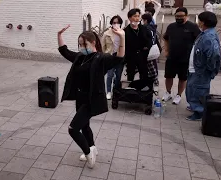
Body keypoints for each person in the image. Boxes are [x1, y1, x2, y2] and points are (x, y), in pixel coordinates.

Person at [57, 25, 125, 168]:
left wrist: (122, 37)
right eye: (80, 44)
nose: (81, 47)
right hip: (80, 97)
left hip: (91, 99)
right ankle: (93, 147)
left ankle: (88, 153)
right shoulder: (80, 57)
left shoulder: (101, 58)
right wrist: (59, 35)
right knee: (84, 125)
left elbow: (119, 58)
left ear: (93, 43)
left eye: (84, 44)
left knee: (72, 129)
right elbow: (65, 51)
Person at [186, 11, 221, 121]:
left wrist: (210, 69)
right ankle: (194, 106)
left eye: (199, 20)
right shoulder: (205, 33)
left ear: (203, 22)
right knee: (192, 89)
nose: (198, 22)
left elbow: (214, 55)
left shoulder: (209, 37)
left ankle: (199, 112)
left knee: (198, 91)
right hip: (196, 69)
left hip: (201, 71)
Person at [162, 7, 201, 105]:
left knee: (183, 78)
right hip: (172, 57)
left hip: (186, 58)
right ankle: (168, 92)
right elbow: (165, 38)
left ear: (187, 16)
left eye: (181, 16)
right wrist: (166, 51)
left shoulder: (193, 27)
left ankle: (179, 95)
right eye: (177, 16)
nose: (179, 18)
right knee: (168, 76)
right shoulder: (171, 26)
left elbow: (199, 41)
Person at [124, 8, 153, 83]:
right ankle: (130, 91)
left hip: (143, 55)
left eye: (138, 16)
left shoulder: (144, 29)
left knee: (144, 74)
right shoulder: (126, 31)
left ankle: (143, 91)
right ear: (130, 18)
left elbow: (150, 40)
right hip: (131, 57)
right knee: (130, 75)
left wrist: (147, 47)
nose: (137, 18)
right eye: (134, 16)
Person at [102, 15, 125, 100]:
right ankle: (108, 92)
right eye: (114, 22)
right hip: (110, 56)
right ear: (111, 23)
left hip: (119, 56)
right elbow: (102, 46)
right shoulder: (107, 33)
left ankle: (116, 91)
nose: (116, 24)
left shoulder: (123, 33)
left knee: (118, 75)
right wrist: (105, 55)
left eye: (118, 23)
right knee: (109, 75)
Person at [138, 13, 159, 84]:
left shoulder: (145, 28)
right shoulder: (153, 27)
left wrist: (145, 46)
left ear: (145, 20)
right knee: (152, 66)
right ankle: (154, 80)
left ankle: (146, 83)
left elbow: (146, 39)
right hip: (153, 50)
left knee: (145, 69)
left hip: (146, 51)